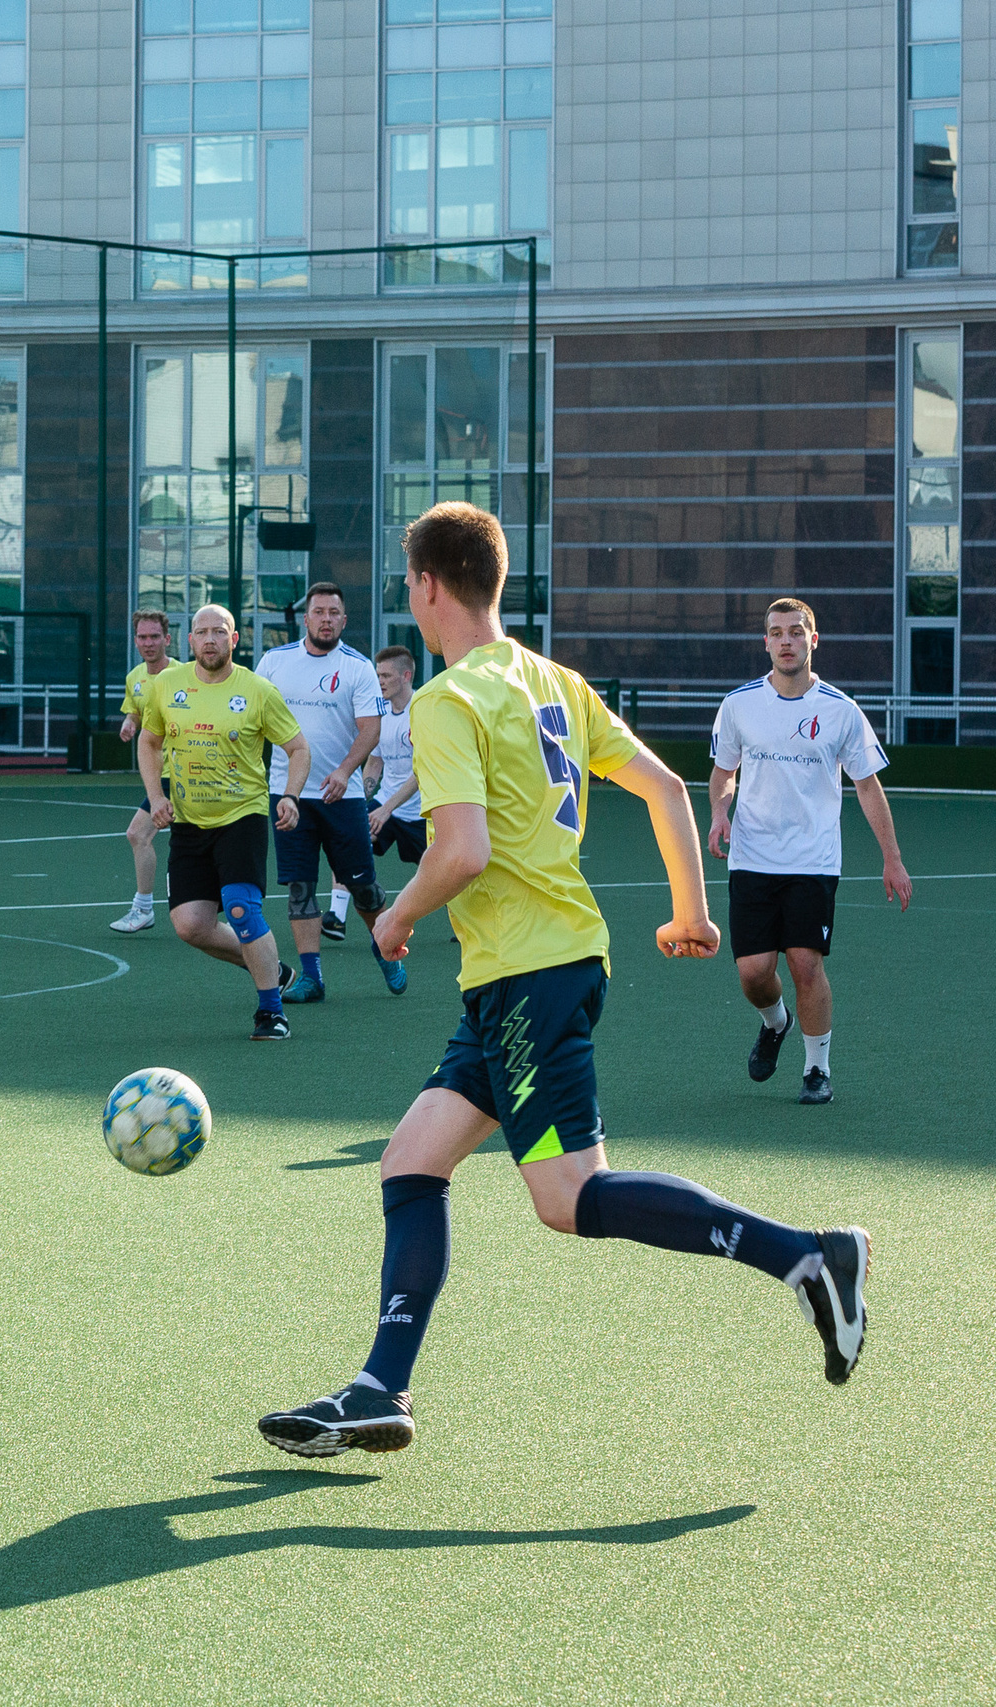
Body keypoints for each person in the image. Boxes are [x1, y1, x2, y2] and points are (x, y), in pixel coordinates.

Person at [258, 504, 869, 1460]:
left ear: (425, 586)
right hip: (538, 967)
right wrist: (690, 913)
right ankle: (381, 1387)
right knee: (411, 1159)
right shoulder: (553, 680)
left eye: (407, 584)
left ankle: (806, 1257)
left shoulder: (448, 699)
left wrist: (396, 913)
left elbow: (459, 849)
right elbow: (668, 790)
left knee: (570, 1198)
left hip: (528, 973)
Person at [707, 598, 912, 1106]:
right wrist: (718, 812)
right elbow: (723, 773)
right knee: (754, 974)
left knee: (805, 963)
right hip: (752, 857)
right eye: (776, 633)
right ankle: (775, 1023)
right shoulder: (739, 704)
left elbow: (867, 786)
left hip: (813, 861)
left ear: (812, 641)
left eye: (796, 633)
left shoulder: (840, 710)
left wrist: (892, 857)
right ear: (766, 643)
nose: (786, 642)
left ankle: (817, 1070)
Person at [140, 604, 309, 1041]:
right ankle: (273, 968)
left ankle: (271, 1012)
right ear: (190, 641)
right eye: (202, 632)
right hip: (189, 822)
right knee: (190, 926)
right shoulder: (166, 685)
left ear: (235, 640)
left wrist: (289, 795)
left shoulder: (257, 690)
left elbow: (298, 749)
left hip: (242, 816)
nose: (210, 639)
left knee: (240, 906)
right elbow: (149, 741)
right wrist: (157, 797)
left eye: (220, 632)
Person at [256, 581, 405, 1000]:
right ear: (306, 618)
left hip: (345, 798)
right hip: (289, 796)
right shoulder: (273, 663)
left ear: (344, 619)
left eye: (333, 613)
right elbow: (254, 721)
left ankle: (388, 953)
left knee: (364, 888)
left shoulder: (357, 667)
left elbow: (371, 729)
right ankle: (312, 978)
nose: (325, 619)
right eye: (318, 612)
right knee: (300, 887)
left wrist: (343, 772)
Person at [110, 609, 175, 935]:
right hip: (158, 774)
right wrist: (128, 723)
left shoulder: (184, 675)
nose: (148, 643)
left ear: (168, 638)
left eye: (154, 637)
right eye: (142, 637)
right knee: (141, 834)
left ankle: (146, 908)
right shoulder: (135, 677)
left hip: (183, 772)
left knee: (140, 834)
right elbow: (136, 712)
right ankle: (146, 908)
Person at [363, 644, 427, 868]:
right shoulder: (379, 713)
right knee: (351, 841)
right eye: (378, 675)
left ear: (406, 676)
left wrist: (386, 809)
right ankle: (340, 904)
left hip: (422, 813)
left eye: (386, 675)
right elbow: (374, 762)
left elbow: (422, 772)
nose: (380, 681)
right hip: (386, 803)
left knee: (439, 876)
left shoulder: (423, 710)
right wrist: (359, 802)